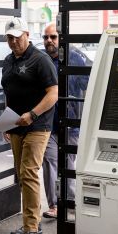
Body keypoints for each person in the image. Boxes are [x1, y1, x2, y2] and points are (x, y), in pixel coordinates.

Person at [1, 17, 58, 234]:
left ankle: (31, 228)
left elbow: (53, 94)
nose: (13, 41)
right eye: (9, 38)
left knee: (29, 172)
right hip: (15, 125)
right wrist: (7, 123)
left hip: (37, 125)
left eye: (17, 37)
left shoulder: (40, 59)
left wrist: (32, 114)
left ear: (27, 34)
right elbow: (9, 91)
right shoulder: (8, 60)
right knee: (22, 174)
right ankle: (31, 222)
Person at [40, 23, 89, 219]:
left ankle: (70, 201)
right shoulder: (41, 61)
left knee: (67, 164)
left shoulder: (73, 58)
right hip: (48, 123)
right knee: (50, 163)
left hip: (70, 123)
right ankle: (54, 205)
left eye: (53, 37)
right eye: (46, 37)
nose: (49, 41)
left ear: (61, 39)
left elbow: (87, 82)